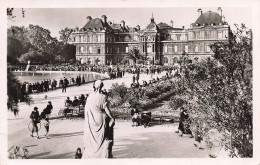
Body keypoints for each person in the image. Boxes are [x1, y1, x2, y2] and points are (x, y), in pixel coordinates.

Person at [83, 80, 115, 158]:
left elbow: (87, 109)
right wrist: (112, 117)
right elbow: (107, 110)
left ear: (95, 86)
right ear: (102, 86)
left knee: (92, 138)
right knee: (103, 138)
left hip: (91, 119)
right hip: (100, 119)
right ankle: (102, 154)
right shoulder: (103, 97)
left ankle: (92, 153)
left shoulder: (90, 96)